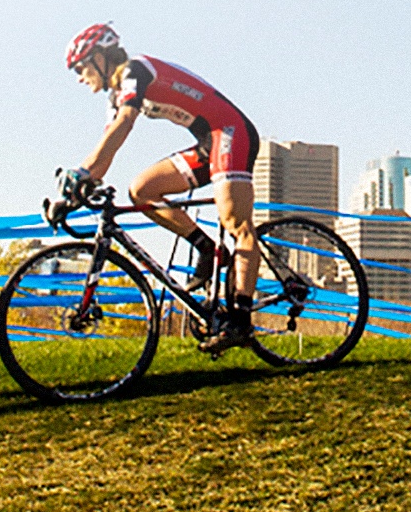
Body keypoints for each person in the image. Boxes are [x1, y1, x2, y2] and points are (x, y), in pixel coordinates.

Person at [64, 23, 262, 353]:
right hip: (206, 141)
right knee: (141, 190)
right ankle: (207, 248)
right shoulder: (118, 94)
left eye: (81, 68)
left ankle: (240, 321)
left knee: (236, 222)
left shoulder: (133, 71)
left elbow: (125, 124)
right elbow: (106, 148)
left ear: (100, 58)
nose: (80, 78)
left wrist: (83, 173)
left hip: (230, 132)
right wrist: (75, 189)